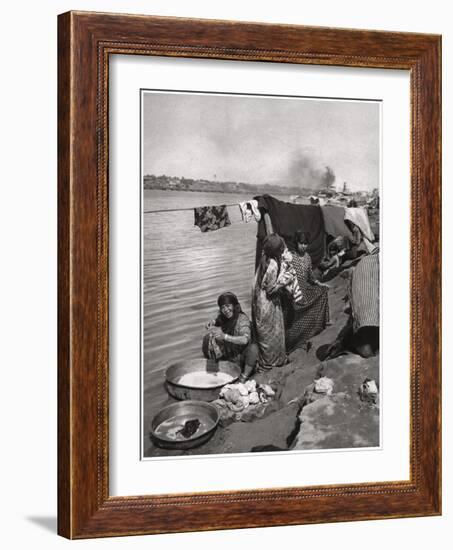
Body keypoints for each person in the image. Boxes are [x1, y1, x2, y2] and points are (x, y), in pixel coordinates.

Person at [284, 230, 330, 353]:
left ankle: (317, 326)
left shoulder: (307, 257)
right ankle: (294, 341)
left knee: (323, 291)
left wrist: (320, 284)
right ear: (296, 243)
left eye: (305, 244)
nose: (303, 246)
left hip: (305, 289)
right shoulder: (291, 258)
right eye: (301, 243)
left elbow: (310, 276)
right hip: (294, 293)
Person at [202, 292, 258, 382]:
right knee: (207, 338)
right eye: (223, 307)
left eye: (228, 306)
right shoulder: (224, 317)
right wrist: (211, 323)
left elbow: (244, 340)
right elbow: (217, 320)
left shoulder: (242, 320)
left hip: (242, 354)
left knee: (254, 349)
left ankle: (244, 376)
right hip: (231, 353)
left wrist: (225, 337)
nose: (226, 310)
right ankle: (215, 366)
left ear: (234, 306)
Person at [252, 234, 288, 369]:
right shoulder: (272, 264)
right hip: (268, 303)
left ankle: (266, 360)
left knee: (264, 334)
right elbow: (271, 290)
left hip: (259, 301)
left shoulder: (263, 259)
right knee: (273, 332)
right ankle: (274, 361)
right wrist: (284, 282)